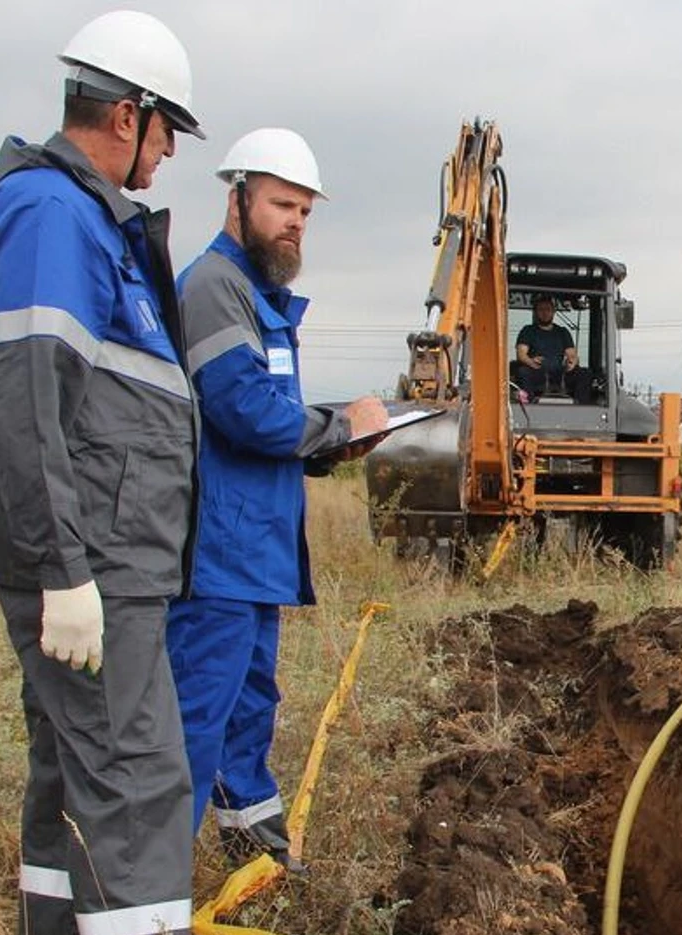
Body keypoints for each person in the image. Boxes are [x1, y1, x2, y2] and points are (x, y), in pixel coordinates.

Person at [0, 11, 246, 935]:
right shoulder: (51, 215)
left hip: (104, 563)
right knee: (139, 786)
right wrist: (65, 571)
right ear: (126, 116)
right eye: (166, 137)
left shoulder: (82, 225)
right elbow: (29, 401)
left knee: (72, 786)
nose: (166, 160)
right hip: (88, 571)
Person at [168, 129, 389, 873]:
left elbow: (272, 428)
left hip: (255, 551)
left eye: (304, 210)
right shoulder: (213, 287)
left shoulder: (258, 296)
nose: (295, 221)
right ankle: (148, 898)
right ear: (236, 201)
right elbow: (245, 411)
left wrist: (334, 446)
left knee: (249, 707)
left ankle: (253, 846)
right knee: (198, 718)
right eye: (280, 204)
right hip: (217, 555)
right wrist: (340, 423)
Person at [511, 295, 577, 399]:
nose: (544, 313)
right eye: (541, 309)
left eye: (548, 309)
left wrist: (571, 362)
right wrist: (531, 362)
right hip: (537, 371)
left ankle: (583, 405)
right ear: (535, 312)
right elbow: (521, 354)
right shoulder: (528, 331)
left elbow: (571, 354)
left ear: (553, 312)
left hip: (559, 373)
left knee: (585, 374)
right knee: (523, 372)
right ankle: (529, 405)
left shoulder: (563, 332)